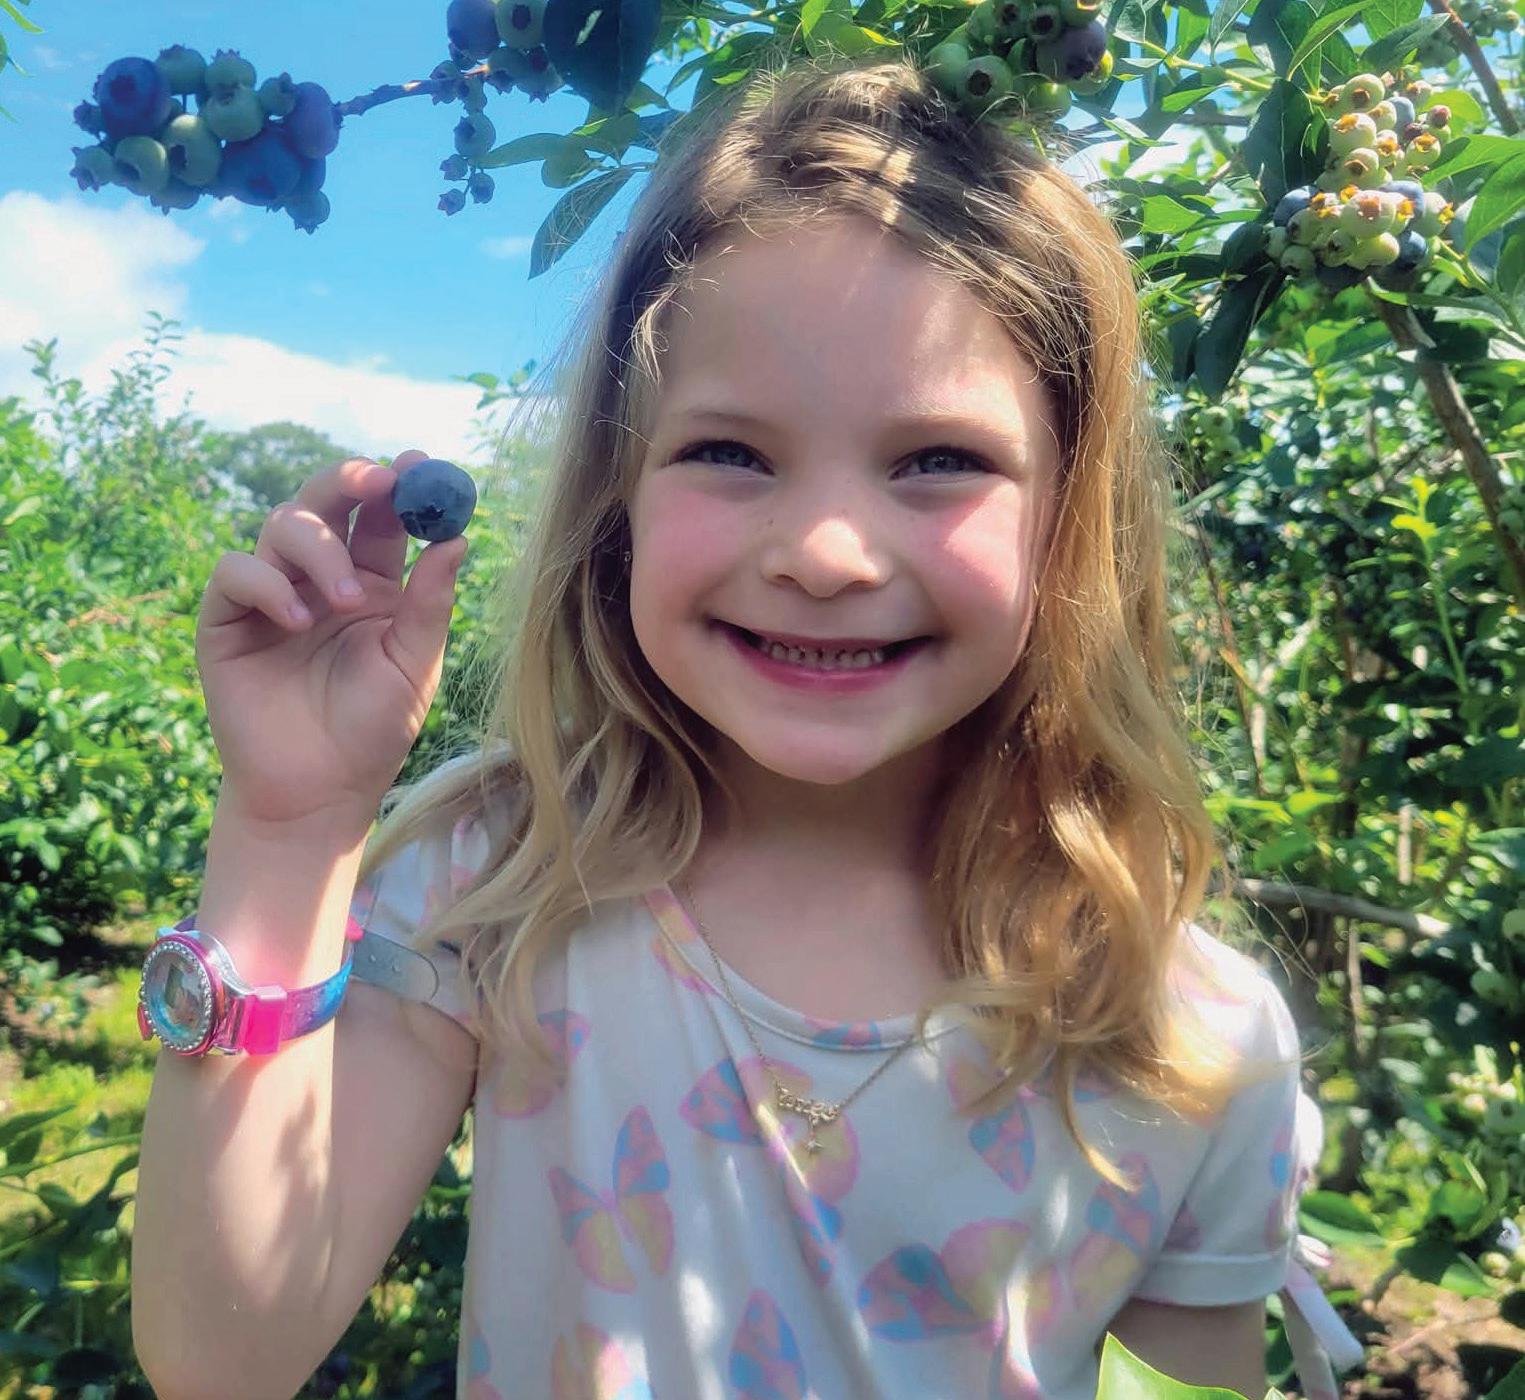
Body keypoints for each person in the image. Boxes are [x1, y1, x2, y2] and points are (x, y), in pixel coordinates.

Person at [130, 53, 1364, 1400]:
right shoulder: (503, 885)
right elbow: (221, 1359)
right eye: (729, 453)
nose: (825, 553)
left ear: (1069, 518)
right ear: (620, 499)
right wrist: (291, 826)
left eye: (938, 461)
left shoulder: (1189, 1037)